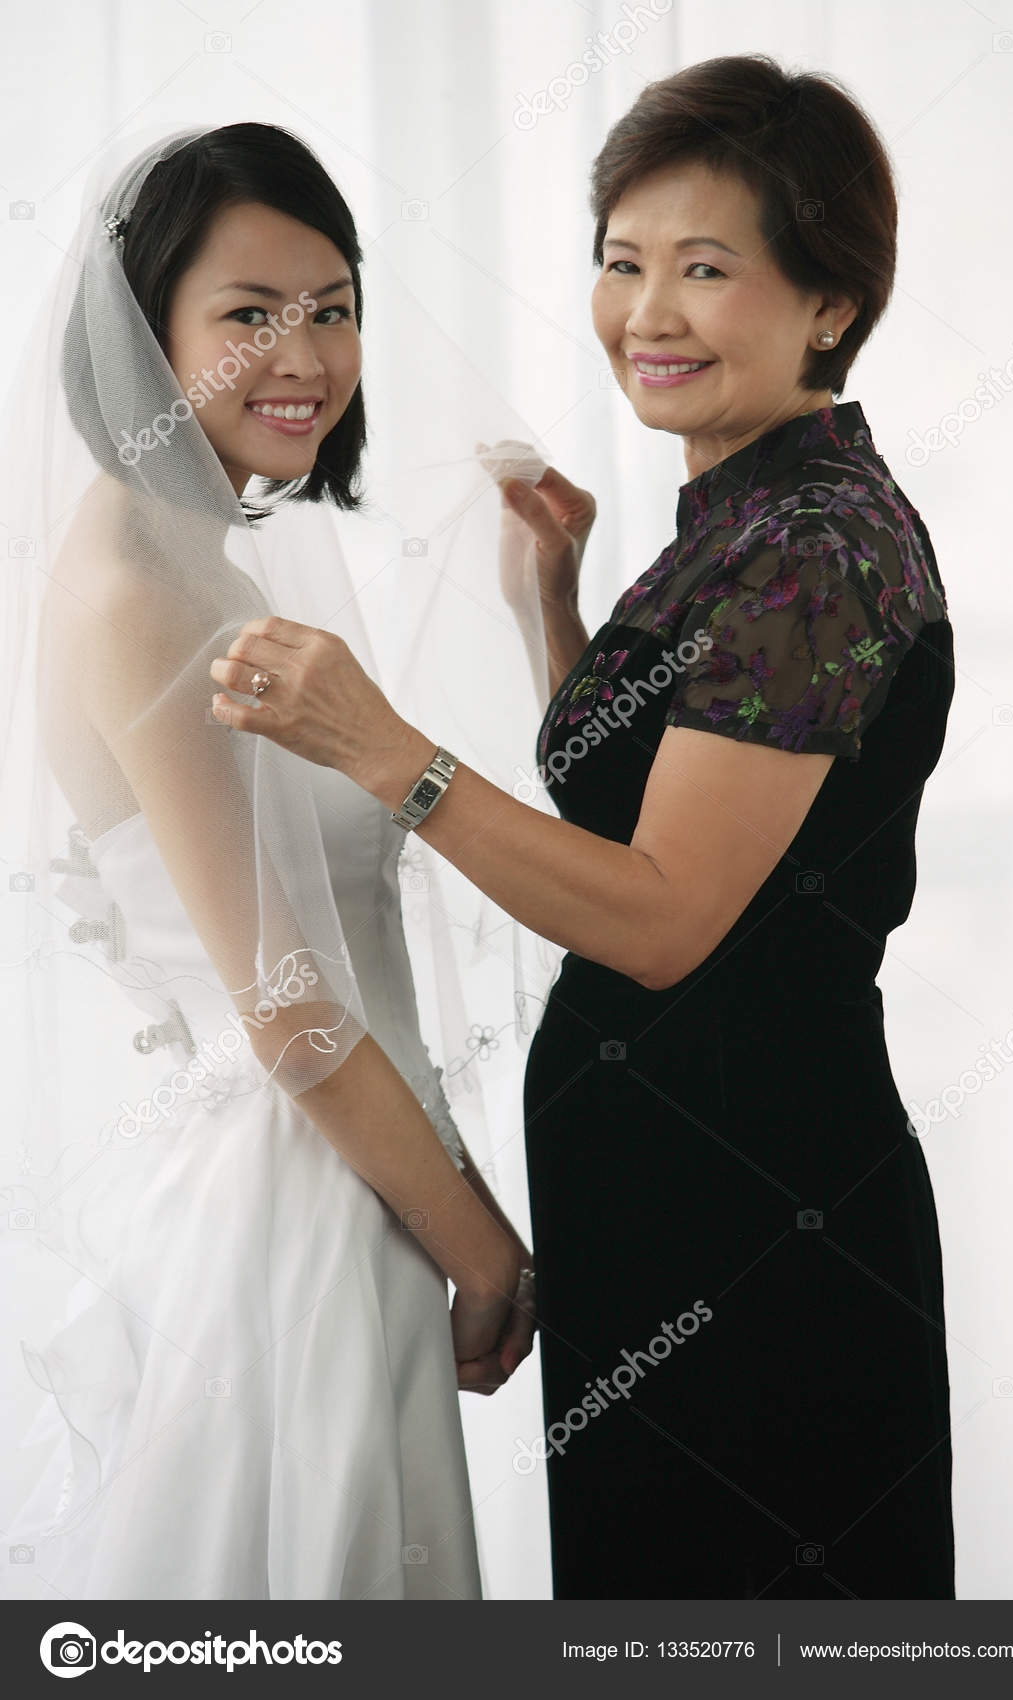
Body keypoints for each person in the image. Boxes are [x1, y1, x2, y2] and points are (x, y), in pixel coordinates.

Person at [214, 55, 958, 1602]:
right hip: (665, 1201)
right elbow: (655, 820)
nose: (647, 314)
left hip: (756, 1221)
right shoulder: (744, 511)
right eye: (622, 263)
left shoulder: (811, 548)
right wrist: (551, 605)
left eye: (706, 269)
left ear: (829, 300)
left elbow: (664, 916)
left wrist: (384, 750)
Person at [0, 122, 539, 1602]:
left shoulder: (215, 560)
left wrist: (543, 601)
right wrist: (484, 1250)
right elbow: (293, 1008)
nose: (304, 354)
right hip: (287, 1209)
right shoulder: (134, 589)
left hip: (356, 1183)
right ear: (140, 332)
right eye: (248, 314)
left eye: (332, 306)